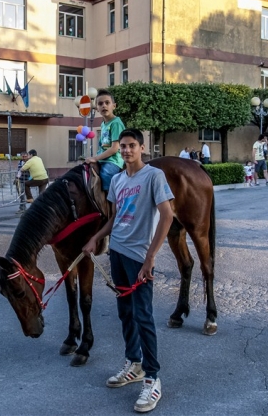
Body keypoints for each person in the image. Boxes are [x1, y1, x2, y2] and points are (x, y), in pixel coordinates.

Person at [82, 128, 174, 413]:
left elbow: (167, 215)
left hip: (138, 256)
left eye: (131, 146)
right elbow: (115, 217)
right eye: (122, 147)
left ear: (142, 148)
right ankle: (133, 364)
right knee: (125, 312)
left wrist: (150, 257)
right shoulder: (119, 180)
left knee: (143, 315)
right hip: (118, 253)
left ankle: (153, 377)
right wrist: (97, 237)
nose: (126, 151)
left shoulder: (154, 176)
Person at [85, 90, 125, 191]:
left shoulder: (116, 123)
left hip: (114, 160)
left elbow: (114, 148)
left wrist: (96, 158)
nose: (104, 106)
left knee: (106, 175)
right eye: (100, 103)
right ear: (97, 108)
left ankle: (111, 202)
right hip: (103, 159)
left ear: (114, 106)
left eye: (107, 103)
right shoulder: (103, 124)